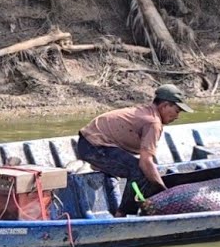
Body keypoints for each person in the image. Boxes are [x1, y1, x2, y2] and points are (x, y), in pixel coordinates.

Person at [74, 84, 194, 215]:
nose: (177, 116)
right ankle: (122, 214)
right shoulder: (153, 122)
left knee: (144, 173)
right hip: (93, 147)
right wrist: (164, 190)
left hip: (90, 143)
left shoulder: (146, 111)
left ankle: (103, 168)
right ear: (165, 105)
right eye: (177, 111)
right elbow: (145, 163)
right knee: (140, 171)